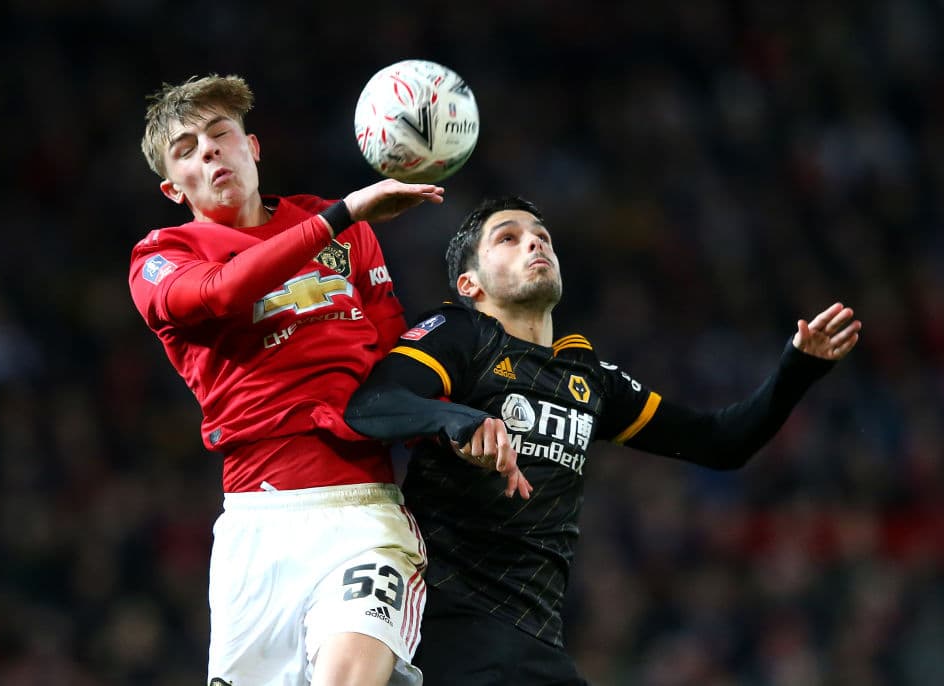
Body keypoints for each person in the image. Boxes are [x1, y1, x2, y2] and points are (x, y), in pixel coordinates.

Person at [344, 195, 862, 684]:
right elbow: (370, 406)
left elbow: (720, 442)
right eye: (508, 237)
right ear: (470, 284)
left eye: (542, 236)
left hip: (536, 638)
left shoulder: (587, 374)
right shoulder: (459, 334)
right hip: (445, 624)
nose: (535, 243)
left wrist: (798, 369)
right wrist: (458, 420)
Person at [128, 74, 523, 686]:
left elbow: (396, 365)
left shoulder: (343, 233)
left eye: (219, 134)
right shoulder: (163, 258)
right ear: (173, 188)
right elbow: (224, 291)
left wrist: (460, 432)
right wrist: (344, 214)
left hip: (362, 515)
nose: (208, 150)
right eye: (186, 149)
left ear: (252, 147)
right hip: (256, 529)